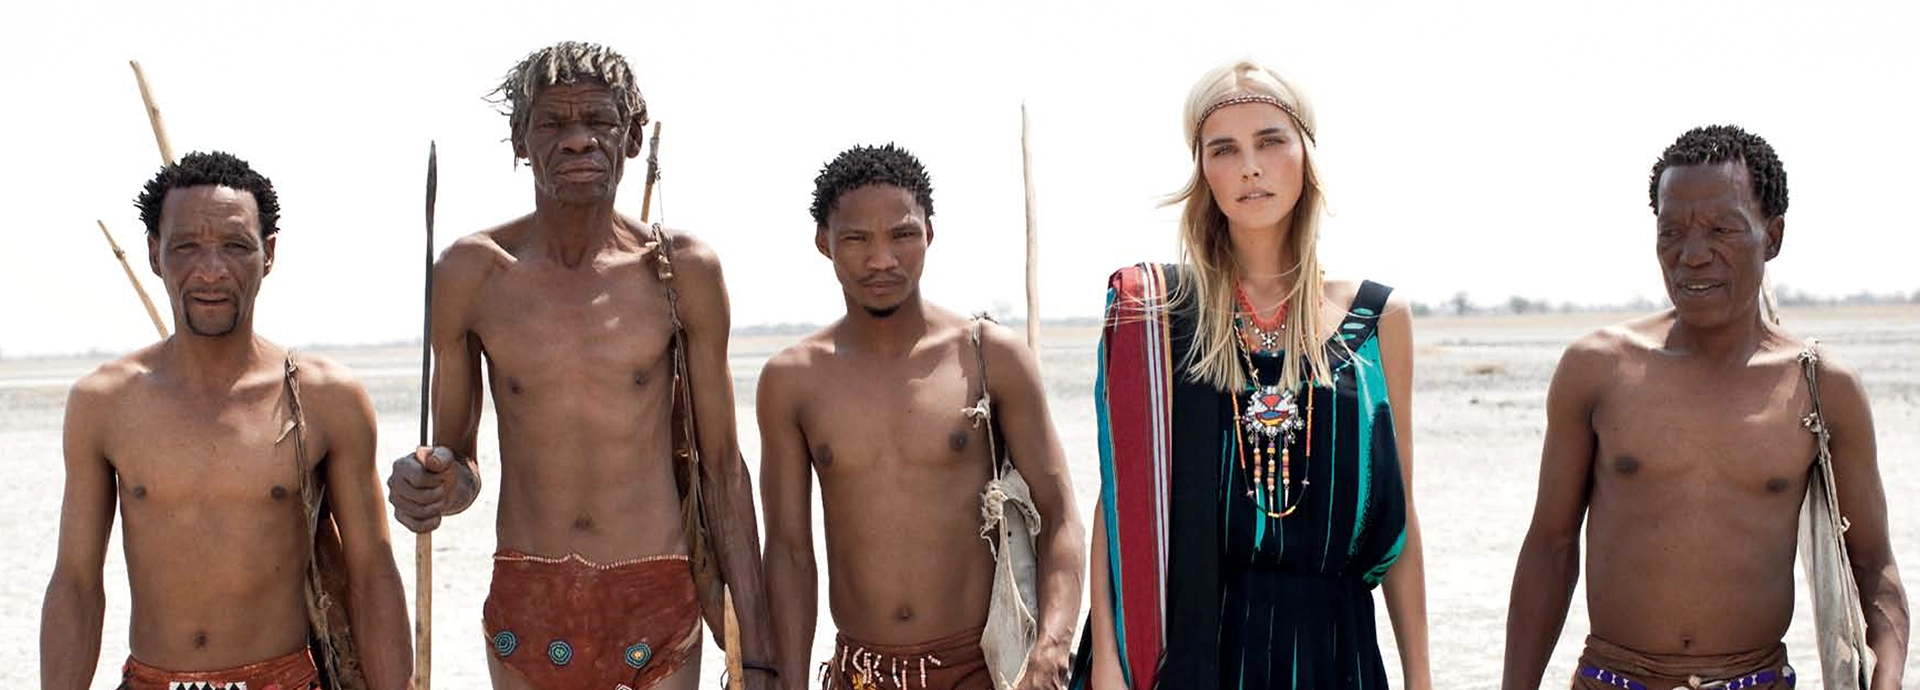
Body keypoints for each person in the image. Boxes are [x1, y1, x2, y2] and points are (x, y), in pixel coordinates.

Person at [384, 42, 776, 690]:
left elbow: (725, 473)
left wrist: (756, 653)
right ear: (518, 140)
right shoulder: (472, 274)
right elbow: (462, 465)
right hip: (527, 595)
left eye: (599, 122)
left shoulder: (680, 272)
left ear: (630, 138)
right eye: (553, 124)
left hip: (656, 590)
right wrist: (431, 482)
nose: (578, 142)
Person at [1501, 124, 1909, 690]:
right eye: (1672, 231)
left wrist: (1886, 679)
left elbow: (1873, 566)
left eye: (1722, 229)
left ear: (1773, 236)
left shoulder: (1820, 387)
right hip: (1612, 680)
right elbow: (1550, 545)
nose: (1692, 255)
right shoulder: (1598, 369)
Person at [1073, 60, 1432, 690]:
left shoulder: (1379, 318)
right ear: (1202, 172)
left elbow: (1400, 511)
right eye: (1224, 149)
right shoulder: (1158, 313)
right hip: (1198, 647)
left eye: (1270, 141)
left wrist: (1420, 679)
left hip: (1335, 649)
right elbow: (1122, 499)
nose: (1250, 166)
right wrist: (1108, 657)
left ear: (1305, 154)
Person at [41, 151, 412, 690]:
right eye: (187, 246)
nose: (211, 270)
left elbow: (372, 574)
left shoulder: (326, 398)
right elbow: (75, 583)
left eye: (236, 246)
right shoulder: (106, 402)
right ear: (153, 253)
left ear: (268, 254)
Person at [758, 144, 1085, 690]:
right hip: (860, 674)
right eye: (857, 238)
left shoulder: (990, 357)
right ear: (824, 243)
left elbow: (1059, 515)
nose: (881, 259)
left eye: (902, 235)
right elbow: (790, 552)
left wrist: (1050, 649)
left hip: (983, 671)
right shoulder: (793, 380)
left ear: (930, 233)